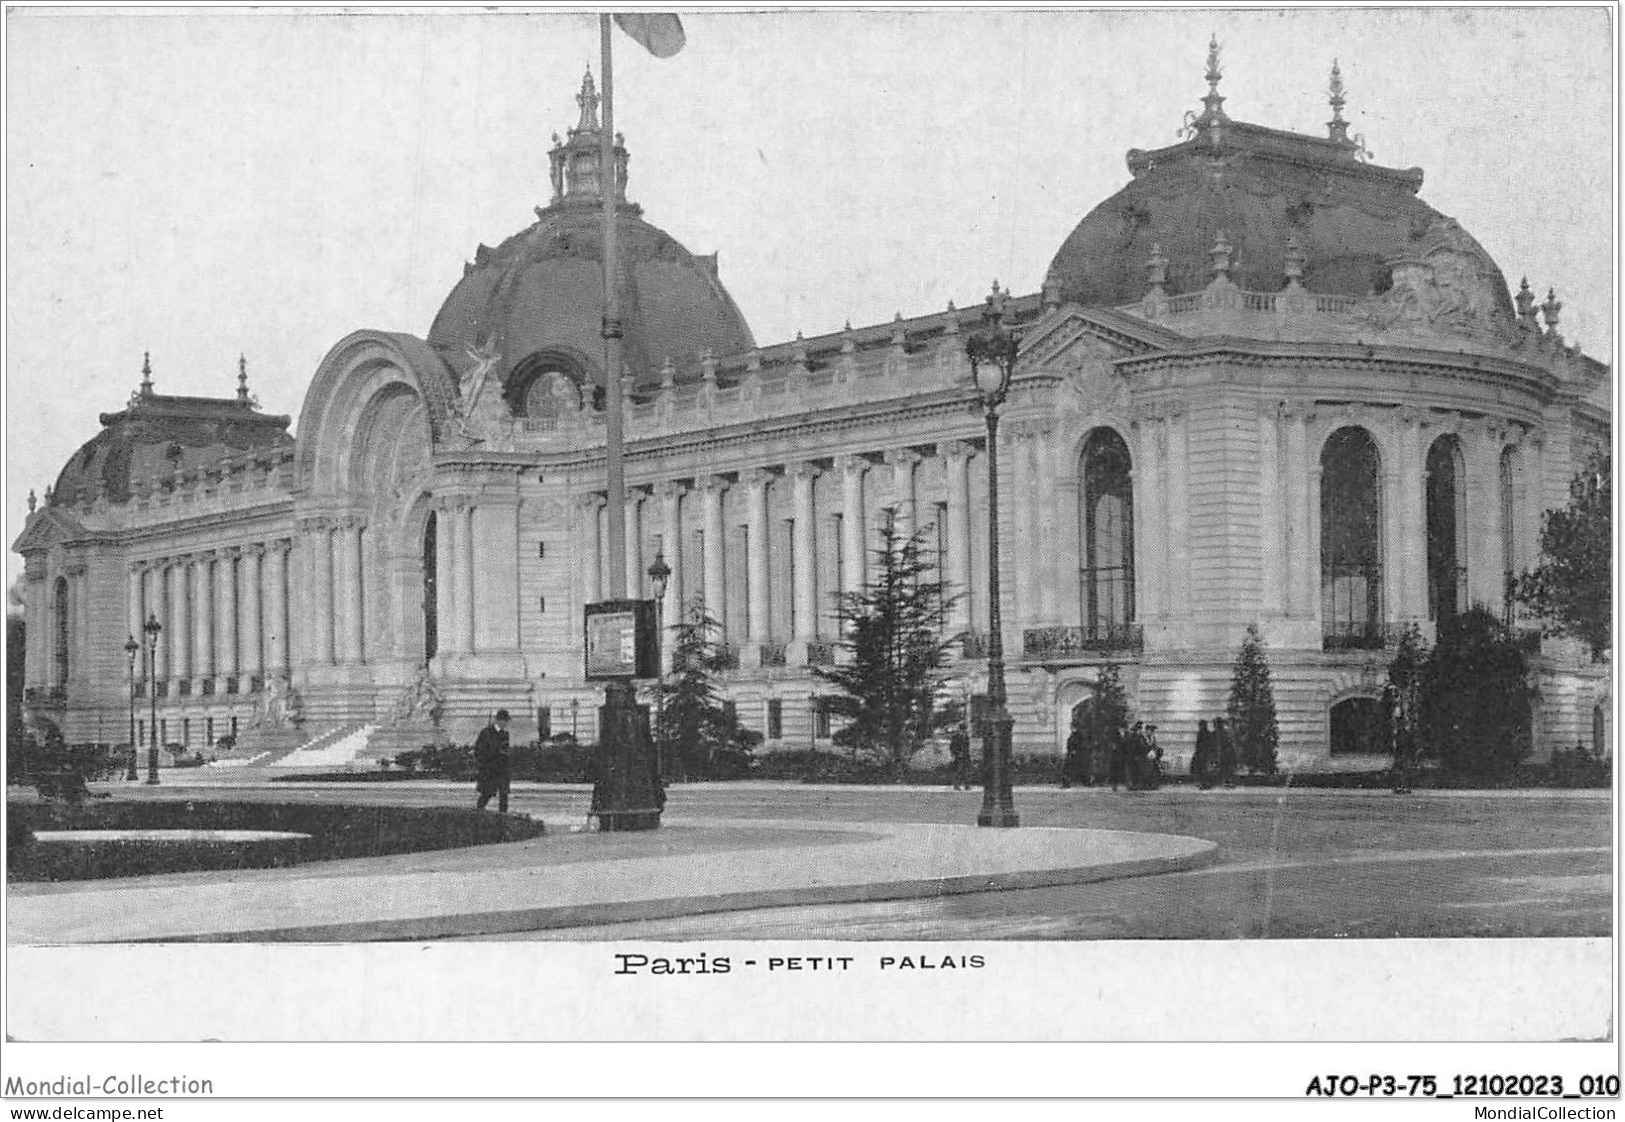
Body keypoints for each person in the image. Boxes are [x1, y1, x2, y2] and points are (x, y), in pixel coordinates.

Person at [474, 709, 513, 813]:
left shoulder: (505, 734)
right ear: (499, 721)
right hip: (490, 770)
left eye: (506, 721)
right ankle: (478, 814)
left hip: (502, 770)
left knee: (504, 795)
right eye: (504, 721)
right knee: (486, 794)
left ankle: (503, 817)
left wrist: (505, 754)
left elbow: (505, 750)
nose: (505, 724)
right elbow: (479, 750)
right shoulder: (486, 732)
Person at [1215, 716, 1238, 788]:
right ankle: (1228, 781)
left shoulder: (1222, 731)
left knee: (1226, 767)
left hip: (1225, 751)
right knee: (1227, 767)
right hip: (1226, 751)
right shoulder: (1225, 730)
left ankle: (1227, 781)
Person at [1192, 719, 1215, 790]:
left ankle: (1204, 784)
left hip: (1204, 754)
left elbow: (1199, 745)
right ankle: (1203, 783)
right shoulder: (1206, 733)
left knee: (1202, 769)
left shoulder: (1202, 733)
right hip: (1203, 754)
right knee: (1202, 769)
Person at [949, 724, 972, 791]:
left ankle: (967, 785)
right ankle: (956, 785)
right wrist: (955, 754)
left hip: (965, 756)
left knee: (966, 771)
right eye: (963, 729)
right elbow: (952, 747)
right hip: (958, 756)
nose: (964, 731)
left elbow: (967, 747)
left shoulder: (966, 737)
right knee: (958, 771)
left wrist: (968, 755)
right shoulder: (955, 737)